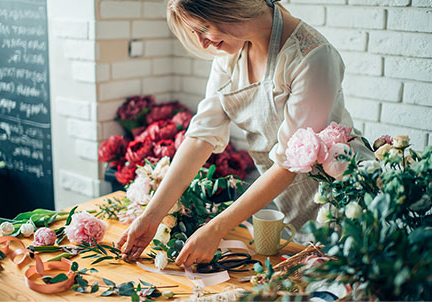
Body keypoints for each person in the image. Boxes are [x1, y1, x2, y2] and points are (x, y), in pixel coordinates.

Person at [116, 0, 371, 266]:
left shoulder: (312, 56)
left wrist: (216, 229)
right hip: (291, 203)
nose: (202, 43)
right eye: (195, 33)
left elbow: (289, 165)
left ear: (230, 6)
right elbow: (201, 136)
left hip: (342, 200)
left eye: (204, 28)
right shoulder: (229, 56)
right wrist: (151, 215)